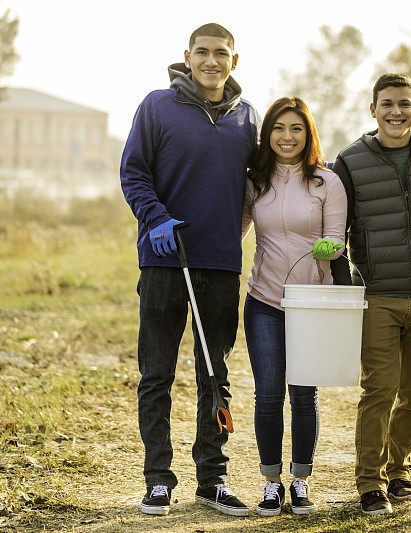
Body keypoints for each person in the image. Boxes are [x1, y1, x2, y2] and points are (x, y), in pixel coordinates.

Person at [120, 23, 257, 517]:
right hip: (163, 260)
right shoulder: (157, 106)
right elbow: (133, 172)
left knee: (214, 374)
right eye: (203, 53)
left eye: (221, 54)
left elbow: (256, 186)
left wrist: (234, 232)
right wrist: (156, 218)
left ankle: (212, 478)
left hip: (219, 265)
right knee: (156, 374)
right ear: (187, 56)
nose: (211, 61)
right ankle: (158, 478)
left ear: (234, 61)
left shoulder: (248, 118)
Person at [330, 73, 411, 515]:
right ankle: (369, 483)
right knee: (379, 390)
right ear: (372, 109)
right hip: (377, 296)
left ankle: (399, 473)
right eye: (387, 104)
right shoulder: (350, 161)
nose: (395, 112)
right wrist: (348, 288)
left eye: (404, 104)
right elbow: (334, 231)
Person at [241, 97, 346, 516]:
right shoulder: (255, 182)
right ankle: (270, 482)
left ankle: (301, 479)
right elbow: (237, 230)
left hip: (311, 303)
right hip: (263, 300)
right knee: (268, 394)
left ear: (308, 135)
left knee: (303, 393)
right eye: (279, 128)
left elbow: (337, 239)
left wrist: (327, 246)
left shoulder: (326, 182)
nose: (287, 137)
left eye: (296, 129)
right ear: (268, 134)